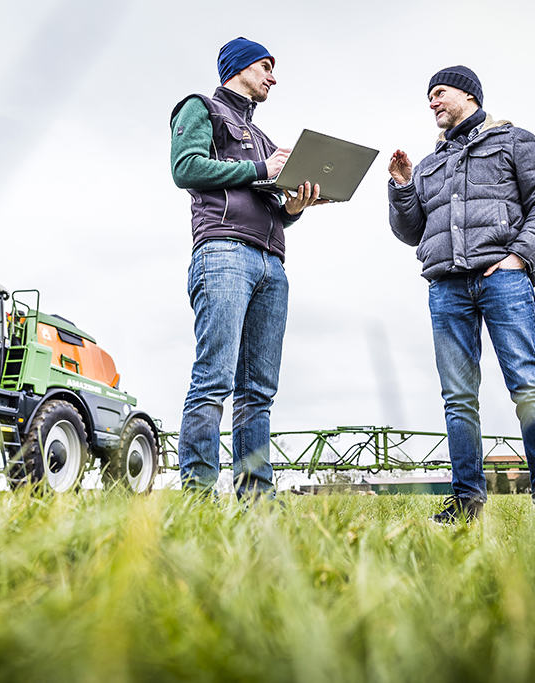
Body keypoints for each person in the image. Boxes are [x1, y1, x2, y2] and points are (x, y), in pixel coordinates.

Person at [387, 66, 535, 523]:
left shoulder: (513, 141)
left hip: (502, 278)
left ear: (468, 94)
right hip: (446, 286)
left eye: (439, 92)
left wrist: (521, 257)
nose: (431, 102)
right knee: (458, 397)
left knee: (526, 383)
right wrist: (403, 187)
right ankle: (467, 501)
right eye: (428, 96)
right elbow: (411, 232)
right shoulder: (429, 164)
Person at [170, 37, 322, 499]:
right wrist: (259, 169)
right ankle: (195, 498)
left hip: (271, 264)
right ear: (237, 68)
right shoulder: (201, 108)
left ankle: (257, 500)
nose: (273, 76)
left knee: (258, 391)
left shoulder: (266, 140)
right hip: (224, 254)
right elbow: (186, 168)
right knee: (213, 378)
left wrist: (295, 204)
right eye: (265, 66)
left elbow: (275, 205)